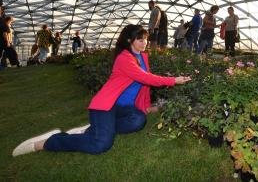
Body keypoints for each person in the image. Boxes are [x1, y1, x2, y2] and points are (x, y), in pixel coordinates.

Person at [12, 25, 191, 157]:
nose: (144, 42)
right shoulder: (124, 58)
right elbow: (146, 78)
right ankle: (50, 141)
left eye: (145, 38)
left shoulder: (142, 56)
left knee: (138, 120)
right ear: (130, 40)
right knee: (101, 145)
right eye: (140, 39)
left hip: (122, 109)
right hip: (106, 106)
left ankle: (92, 130)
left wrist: (144, 106)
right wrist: (174, 80)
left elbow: (144, 86)